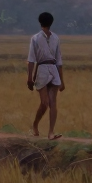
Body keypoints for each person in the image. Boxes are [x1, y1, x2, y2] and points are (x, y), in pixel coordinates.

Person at [26, 11, 64, 139]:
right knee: (45, 103)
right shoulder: (36, 38)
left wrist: (62, 81)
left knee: (53, 103)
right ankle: (35, 125)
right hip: (42, 69)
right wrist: (30, 78)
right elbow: (31, 60)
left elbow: (59, 60)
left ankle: (51, 132)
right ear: (51, 22)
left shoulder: (55, 38)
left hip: (53, 69)